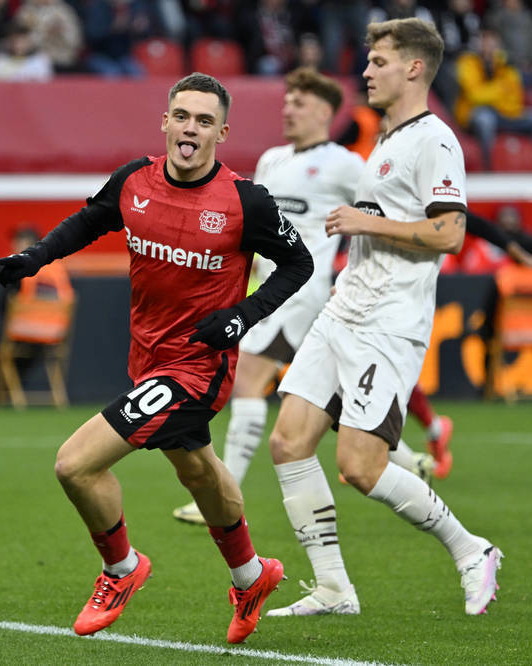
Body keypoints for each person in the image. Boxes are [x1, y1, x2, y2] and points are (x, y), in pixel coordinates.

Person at [0, 73, 314, 643]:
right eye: (182, 116)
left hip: (199, 367)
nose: (191, 129)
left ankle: (121, 568)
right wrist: (37, 256)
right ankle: (251, 575)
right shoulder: (134, 179)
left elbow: (299, 263)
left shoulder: (246, 201)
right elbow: (91, 220)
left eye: (205, 121)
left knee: (75, 464)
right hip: (148, 358)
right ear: (165, 121)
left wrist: (243, 316)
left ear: (221, 133)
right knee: (197, 471)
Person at [265, 18, 502, 619]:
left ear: (414, 68)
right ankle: (333, 588)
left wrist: (366, 222)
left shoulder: (435, 140)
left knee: (360, 467)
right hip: (343, 308)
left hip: (389, 321)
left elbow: (450, 232)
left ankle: (471, 549)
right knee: (288, 442)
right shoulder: (387, 137)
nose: (366, 71)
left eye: (379, 61)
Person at [172, 67, 438, 526]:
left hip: (303, 289)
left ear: (324, 112)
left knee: (248, 380)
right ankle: (409, 460)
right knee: (335, 401)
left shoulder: (345, 163)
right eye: (287, 101)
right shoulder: (272, 160)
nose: (288, 109)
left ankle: (219, 498)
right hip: (271, 290)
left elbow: (385, 211)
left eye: (299, 102)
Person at [454, 25, 532, 171]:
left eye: (492, 40)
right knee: (484, 120)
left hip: (507, 113)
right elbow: (475, 96)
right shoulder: (466, 62)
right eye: (484, 40)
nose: (488, 45)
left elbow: (515, 95)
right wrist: (500, 89)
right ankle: (487, 169)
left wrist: (491, 93)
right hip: (478, 113)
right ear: (477, 42)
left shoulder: (507, 63)